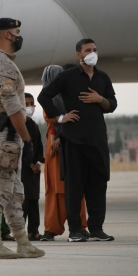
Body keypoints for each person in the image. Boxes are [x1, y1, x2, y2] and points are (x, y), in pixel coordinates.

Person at [38, 38, 117, 242]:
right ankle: (75, 231)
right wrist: (60, 118)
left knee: (98, 185)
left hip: (97, 140)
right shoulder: (68, 77)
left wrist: (101, 100)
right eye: (88, 50)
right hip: (73, 140)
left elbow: (113, 103)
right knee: (74, 186)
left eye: (95, 49)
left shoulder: (103, 78)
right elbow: (44, 96)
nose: (92, 53)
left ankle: (97, 228)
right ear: (78, 54)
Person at [0, 18, 44, 259]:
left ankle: (22, 241)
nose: (19, 36)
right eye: (17, 32)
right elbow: (13, 107)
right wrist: (28, 140)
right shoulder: (2, 64)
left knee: (14, 190)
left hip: (4, 132)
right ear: (7, 35)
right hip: (3, 134)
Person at [38, 65, 88, 241]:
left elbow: (76, 117)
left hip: (69, 142)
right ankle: (51, 228)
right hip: (54, 147)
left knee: (74, 184)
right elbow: (51, 120)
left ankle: (81, 226)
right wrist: (55, 135)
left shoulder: (71, 94)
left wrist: (60, 135)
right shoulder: (47, 97)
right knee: (54, 188)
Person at [21, 93, 45, 240]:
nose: (30, 107)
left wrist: (37, 163)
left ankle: (33, 231)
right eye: (26, 104)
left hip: (33, 171)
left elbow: (38, 147)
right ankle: (20, 231)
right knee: (22, 202)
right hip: (20, 171)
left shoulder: (33, 125)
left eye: (32, 103)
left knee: (34, 200)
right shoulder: (15, 124)